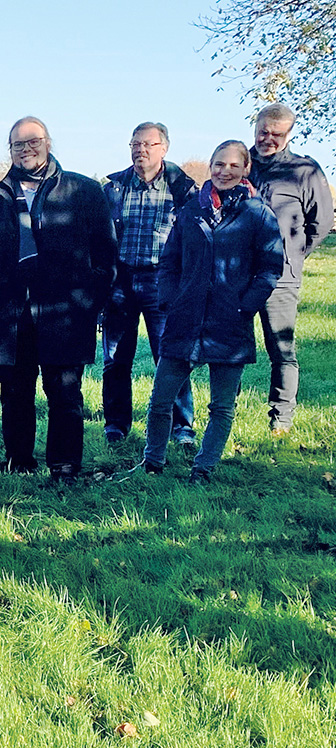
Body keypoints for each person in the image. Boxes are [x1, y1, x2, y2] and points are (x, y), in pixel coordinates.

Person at [0, 117, 116, 483]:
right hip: (9, 315)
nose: (26, 149)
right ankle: (19, 460)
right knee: (14, 392)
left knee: (64, 393)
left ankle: (64, 466)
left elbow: (105, 256)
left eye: (34, 141)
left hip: (64, 315)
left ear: (48, 142)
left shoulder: (84, 191)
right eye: (18, 144)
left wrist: (87, 302)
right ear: (9, 150)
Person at [138, 140, 284, 482]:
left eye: (233, 165)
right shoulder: (191, 210)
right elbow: (169, 262)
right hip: (184, 319)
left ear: (245, 169)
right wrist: (171, 299)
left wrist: (244, 306)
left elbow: (270, 268)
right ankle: (152, 462)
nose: (224, 171)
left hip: (229, 321)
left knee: (221, 406)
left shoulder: (258, 214)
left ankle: (203, 468)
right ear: (210, 166)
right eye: (219, 164)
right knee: (161, 400)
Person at [100, 122, 198, 445]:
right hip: (121, 281)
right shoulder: (114, 188)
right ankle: (115, 426)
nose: (140, 150)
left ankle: (181, 428)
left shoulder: (183, 189)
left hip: (163, 281)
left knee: (170, 357)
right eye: (135, 144)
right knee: (116, 359)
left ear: (164, 148)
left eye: (148, 144)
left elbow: (195, 240)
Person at [247, 103, 333, 434]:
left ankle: (281, 416)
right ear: (255, 128)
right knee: (231, 347)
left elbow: (321, 223)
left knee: (281, 349)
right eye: (263, 132)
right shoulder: (242, 164)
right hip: (238, 274)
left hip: (281, 278)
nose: (268, 139)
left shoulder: (305, 170)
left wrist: (293, 254)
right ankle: (225, 408)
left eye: (276, 134)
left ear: (288, 134)